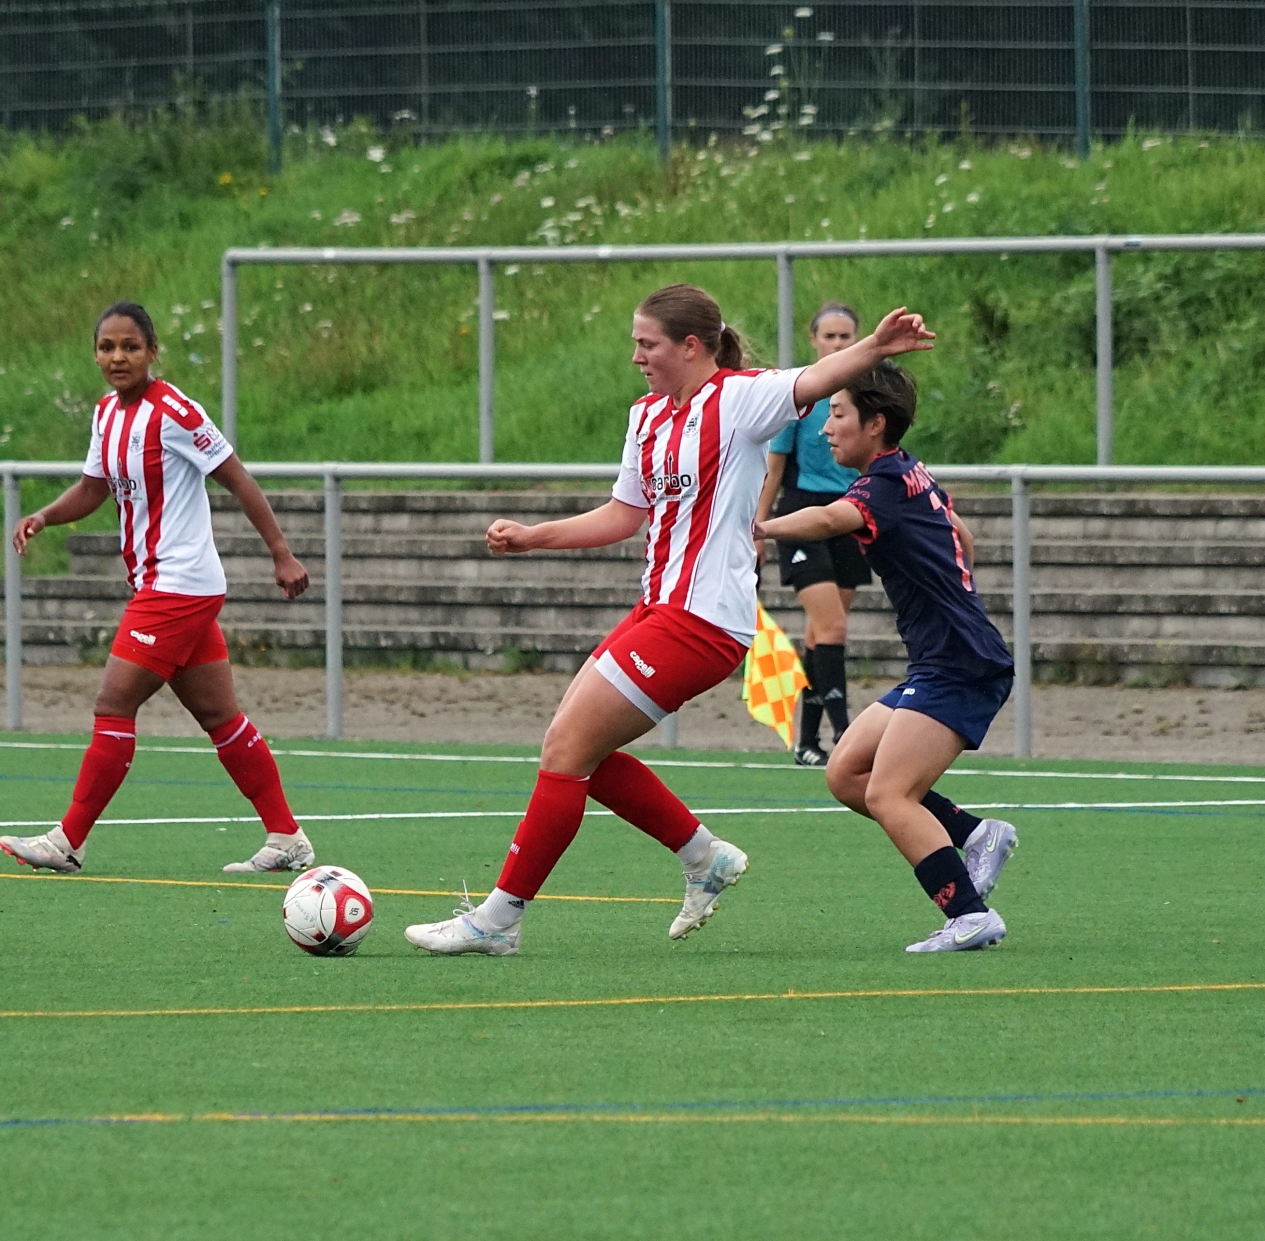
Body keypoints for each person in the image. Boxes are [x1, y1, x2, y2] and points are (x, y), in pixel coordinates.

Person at [405, 284, 935, 956]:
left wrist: (875, 347)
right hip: (657, 610)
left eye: (646, 344)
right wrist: (536, 536)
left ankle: (497, 920)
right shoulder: (646, 416)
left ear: (690, 346)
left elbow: (816, 376)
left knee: (566, 749)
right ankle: (703, 856)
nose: (636, 356)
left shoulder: (739, 400)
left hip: (703, 622)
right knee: (578, 752)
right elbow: (622, 515)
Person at [0, 301, 315, 876]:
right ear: (95, 355)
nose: (117, 357)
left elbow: (237, 478)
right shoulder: (105, 414)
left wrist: (281, 553)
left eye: (130, 346)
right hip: (163, 584)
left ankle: (67, 840)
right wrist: (44, 516)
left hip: (179, 584)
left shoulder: (175, 412)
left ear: (152, 352)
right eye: (107, 347)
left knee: (113, 704)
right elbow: (92, 489)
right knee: (219, 715)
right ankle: (287, 837)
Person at [756, 364, 1019, 952]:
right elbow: (963, 537)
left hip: (959, 663)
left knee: (887, 794)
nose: (826, 428)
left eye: (838, 414)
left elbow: (830, 519)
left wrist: (757, 527)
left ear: (875, 424)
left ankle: (969, 915)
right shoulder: (906, 472)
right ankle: (977, 834)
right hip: (944, 657)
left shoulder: (882, 486)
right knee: (847, 772)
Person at [755, 302, 873, 765]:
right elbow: (774, 468)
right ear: (813, 340)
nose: (838, 344)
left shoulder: (867, 395)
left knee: (821, 633)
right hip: (802, 515)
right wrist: (759, 528)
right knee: (833, 626)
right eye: (830, 336)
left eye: (846, 337)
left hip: (850, 515)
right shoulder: (800, 395)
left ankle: (806, 741)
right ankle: (847, 735)